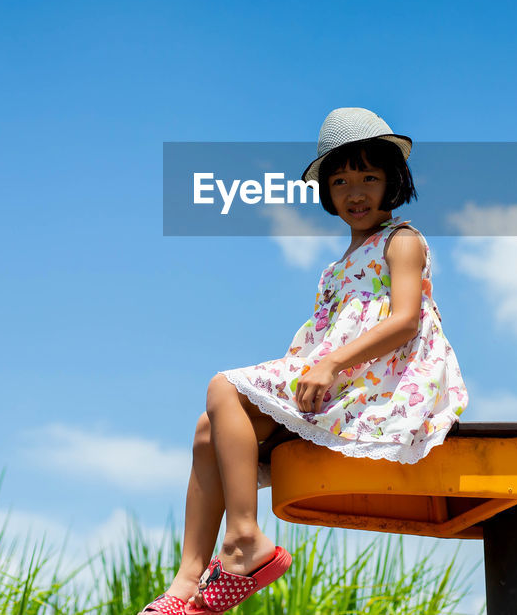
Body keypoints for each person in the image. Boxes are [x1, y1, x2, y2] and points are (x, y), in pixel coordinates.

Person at [139, 107, 469, 615]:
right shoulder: (335, 268)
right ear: (326, 192)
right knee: (208, 429)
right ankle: (186, 585)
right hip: (334, 375)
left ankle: (244, 538)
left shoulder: (401, 241)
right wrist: (313, 366)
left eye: (368, 177)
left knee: (222, 385)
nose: (355, 192)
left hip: (377, 380)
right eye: (340, 181)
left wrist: (331, 364)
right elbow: (318, 337)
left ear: (393, 181)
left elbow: (404, 320)